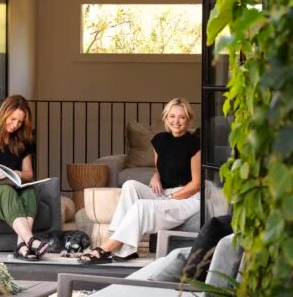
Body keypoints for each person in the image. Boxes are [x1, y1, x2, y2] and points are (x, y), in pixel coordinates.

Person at [78, 98, 201, 264]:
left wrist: (170, 199)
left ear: (189, 120)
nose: (176, 121)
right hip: (164, 193)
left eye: (182, 117)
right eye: (172, 116)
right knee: (130, 186)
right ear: (165, 118)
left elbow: (196, 184)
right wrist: (155, 176)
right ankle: (127, 250)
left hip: (186, 198)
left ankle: (106, 248)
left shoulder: (194, 144)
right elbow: (161, 167)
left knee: (142, 206)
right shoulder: (160, 141)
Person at [0, 94, 48, 260]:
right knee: (6, 191)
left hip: (11, 185)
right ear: (4, 113)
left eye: (20, 122)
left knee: (29, 191)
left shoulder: (23, 141)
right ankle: (31, 240)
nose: (15, 125)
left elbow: (29, 174)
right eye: (12, 119)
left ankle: (22, 247)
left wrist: (15, 174)